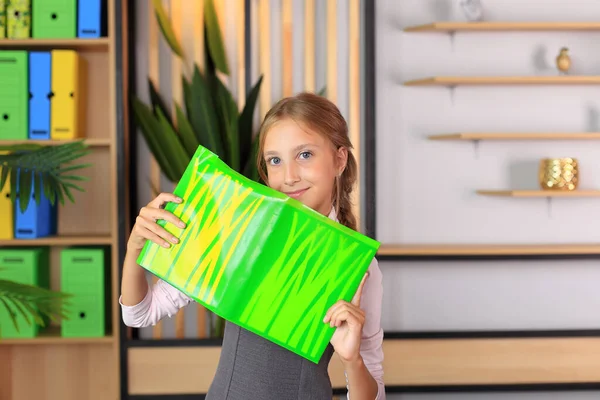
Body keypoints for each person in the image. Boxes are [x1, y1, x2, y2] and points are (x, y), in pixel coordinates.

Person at [120, 92, 385, 400]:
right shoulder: (239, 232)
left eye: (305, 155)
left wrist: (352, 360)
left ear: (339, 159)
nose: (288, 177)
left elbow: (374, 390)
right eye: (275, 160)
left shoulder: (358, 266)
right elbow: (139, 315)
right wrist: (135, 250)